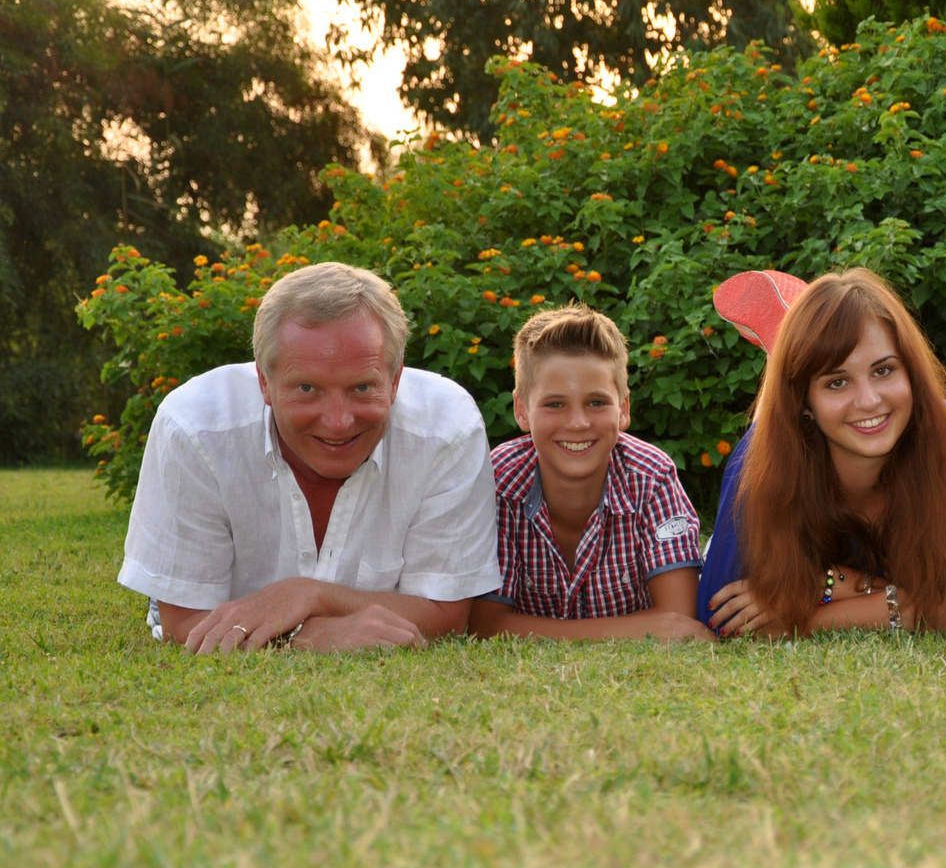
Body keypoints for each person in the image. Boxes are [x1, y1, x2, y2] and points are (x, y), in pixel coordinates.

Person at [120, 261, 502, 652]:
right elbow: (183, 621)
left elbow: (447, 615)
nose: (338, 422)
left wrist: (309, 595)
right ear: (264, 383)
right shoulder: (194, 428)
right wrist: (307, 637)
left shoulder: (448, 430)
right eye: (306, 388)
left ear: (396, 381)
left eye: (362, 387)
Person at [699, 268, 946, 635]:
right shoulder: (762, 455)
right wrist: (894, 599)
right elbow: (720, 619)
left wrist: (822, 592)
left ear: (912, 374)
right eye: (837, 382)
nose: (869, 401)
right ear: (804, 402)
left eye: (884, 370)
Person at [469, 306, 712, 641]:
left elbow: (680, 619)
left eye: (597, 403)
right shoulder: (500, 484)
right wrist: (639, 630)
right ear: (521, 411)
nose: (578, 423)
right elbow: (485, 625)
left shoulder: (651, 476)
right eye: (555, 404)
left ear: (623, 409)